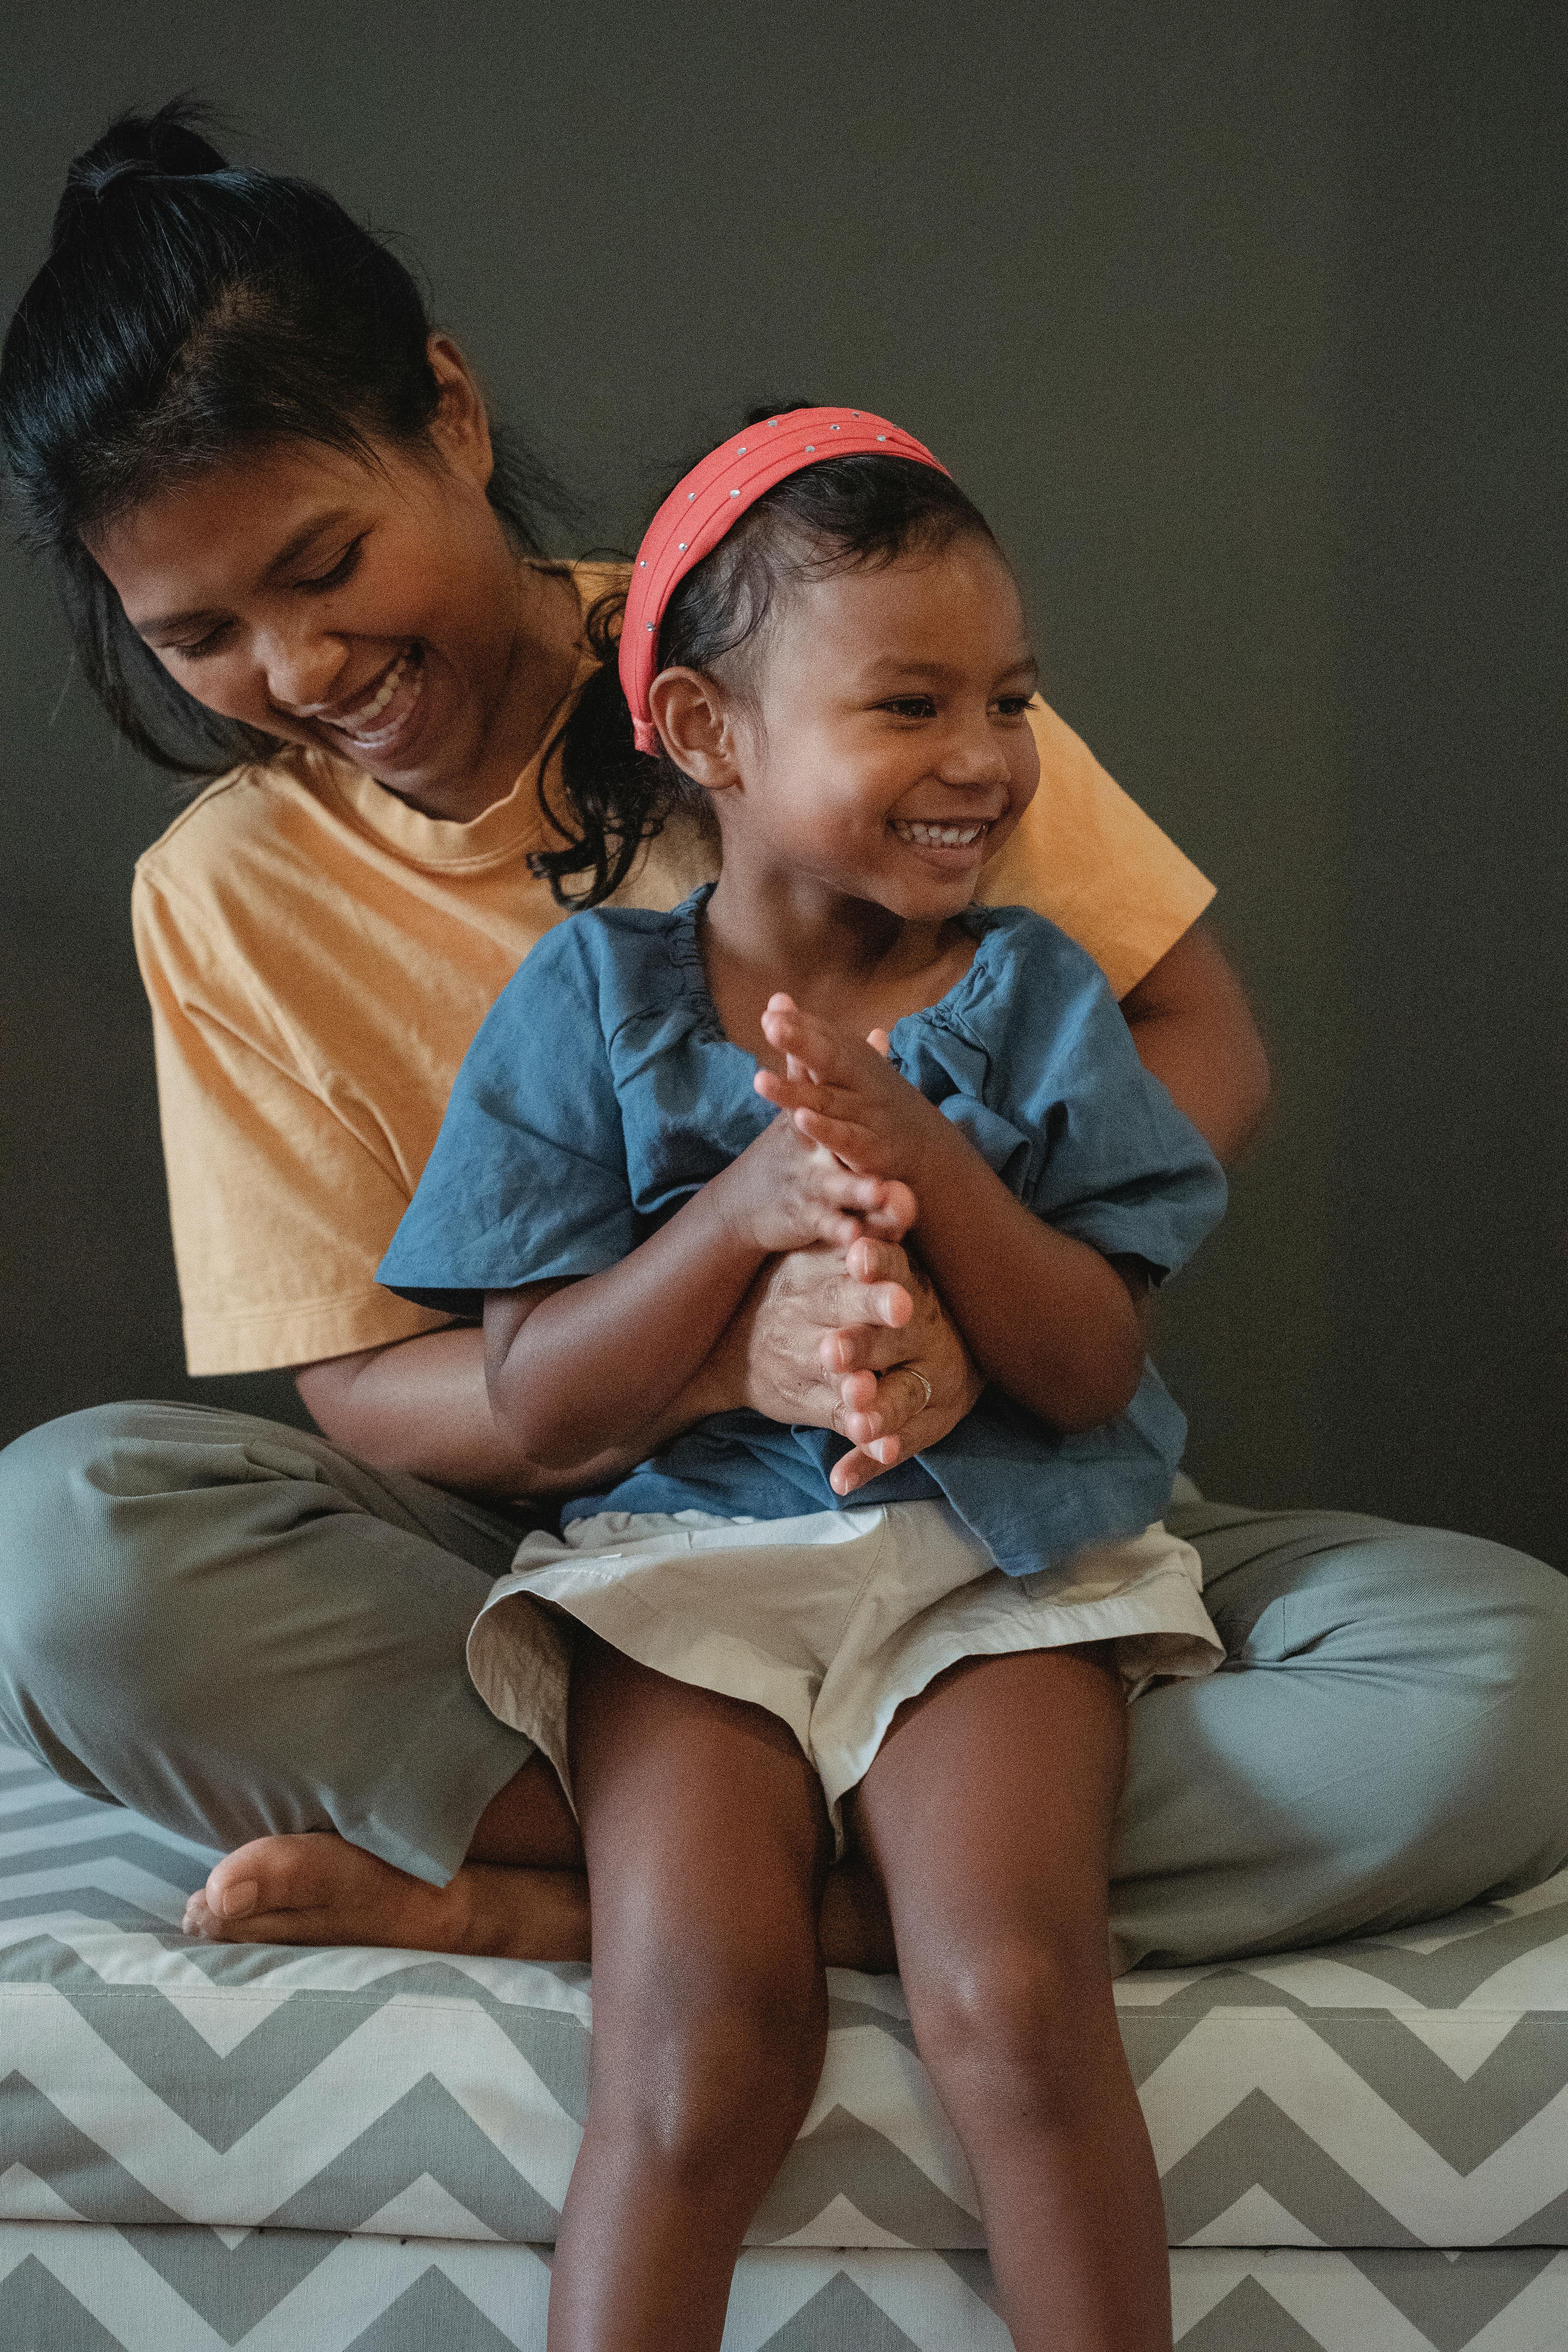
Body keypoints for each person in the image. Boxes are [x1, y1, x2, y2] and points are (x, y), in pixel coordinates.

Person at [0, 102, 1561, 1993]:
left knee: (1514, 1685)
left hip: (967, 1519)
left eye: (325, 566)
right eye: (203, 636)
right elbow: (362, 1381)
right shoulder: (229, 894)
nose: (301, 667)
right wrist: (715, 1353)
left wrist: (967, 1311)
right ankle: (815, 1884)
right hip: (569, 1571)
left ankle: (603, 1909)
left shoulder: (802, 648)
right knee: (64, 1554)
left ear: (453, 416)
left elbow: (1193, 1029)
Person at [377, 405, 1233, 2348]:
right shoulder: (587, 1006)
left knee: (1015, 2004)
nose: (986, 759)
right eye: (910, 705)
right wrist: (737, 1216)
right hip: (685, 1580)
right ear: (705, 735)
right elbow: (541, 1408)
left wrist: (933, 1168)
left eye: (1008, 697)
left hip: (992, 1578)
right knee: (698, 2052)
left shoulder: (1032, 1003)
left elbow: (1090, 1368)